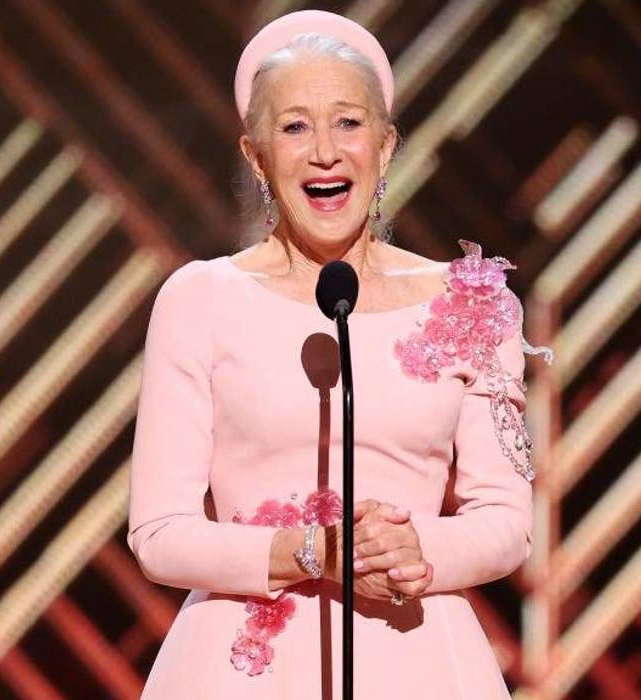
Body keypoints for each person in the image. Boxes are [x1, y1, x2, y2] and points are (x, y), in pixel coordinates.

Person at [126, 10, 551, 698]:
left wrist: (415, 551)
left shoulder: (470, 301)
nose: (324, 150)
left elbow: (505, 523)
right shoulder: (200, 299)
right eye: (294, 127)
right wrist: (310, 553)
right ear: (256, 156)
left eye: (348, 123)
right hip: (241, 669)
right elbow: (160, 533)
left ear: (384, 148)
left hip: (418, 661)